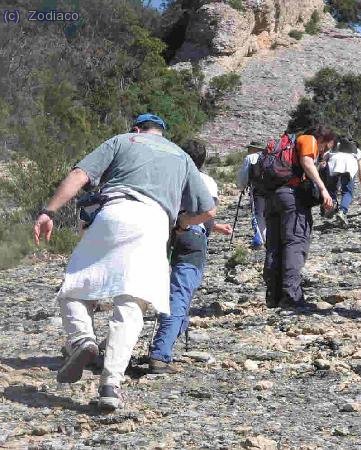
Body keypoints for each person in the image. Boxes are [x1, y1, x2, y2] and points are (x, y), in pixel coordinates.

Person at [33, 114, 216, 411]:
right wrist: (181, 225)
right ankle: (110, 385)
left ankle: (82, 340)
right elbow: (208, 211)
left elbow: (80, 175)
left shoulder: (121, 141)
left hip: (113, 212)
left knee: (74, 287)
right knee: (131, 306)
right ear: (162, 134)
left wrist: (48, 211)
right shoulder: (181, 156)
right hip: (155, 223)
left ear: (136, 129)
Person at [149, 140, 232, 374]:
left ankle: (119, 346)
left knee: (153, 291)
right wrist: (213, 228)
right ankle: (160, 353)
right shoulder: (207, 182)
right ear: (202, 160)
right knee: (180, 295)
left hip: (163, 235)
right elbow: (206, 215)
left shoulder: (166, 176)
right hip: (192, 238)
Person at [263, 125, 335, 309]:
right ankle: (291, 296)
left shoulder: (284, 144)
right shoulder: (308, 139)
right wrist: (323, 189)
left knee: (274, 246)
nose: (323, 151)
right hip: (290, 197)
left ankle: (273, 295)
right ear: (322, 139)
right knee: (295, 243)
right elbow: (307, 162)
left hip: (271, 199)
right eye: (326, 147)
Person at [321, 137, 361, 228]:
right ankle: (342, 211)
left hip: (333, 164)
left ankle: (332, 204)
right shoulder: (357, 151)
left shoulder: (335, 147)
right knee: (347, 192)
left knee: (331, 188)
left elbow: (323, 161)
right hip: (349, 166)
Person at [237, 141, 268, 247]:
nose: (248, 150)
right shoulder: (269, 155)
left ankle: (261, 239)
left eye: (249, 148)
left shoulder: (250, 158)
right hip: (272, 189)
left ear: (254, 148)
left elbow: (243, 176)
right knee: (268, 213)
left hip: (257, 190)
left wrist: (241, 187)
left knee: (258, 215)